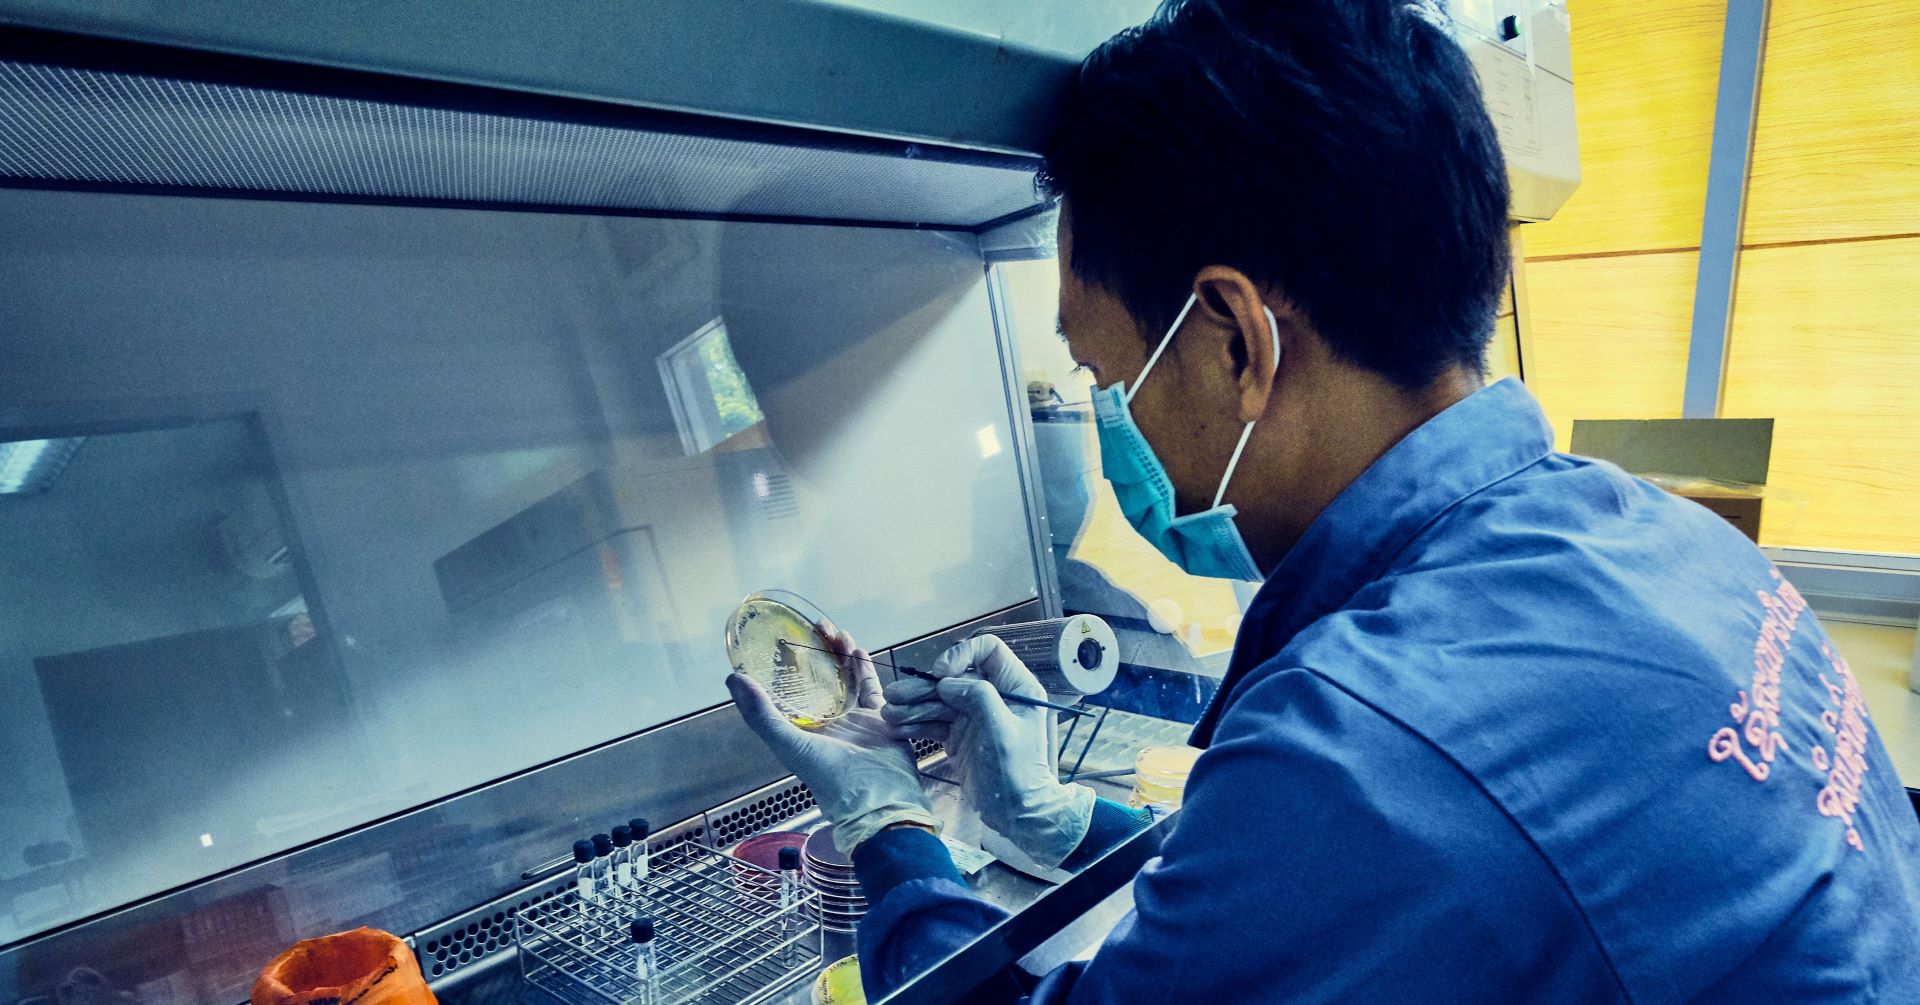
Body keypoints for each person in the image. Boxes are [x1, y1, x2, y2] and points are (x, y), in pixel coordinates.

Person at [729, 0, 1920, 1000]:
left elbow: (1367, 830)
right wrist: (1059, 825)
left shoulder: (1370, 742)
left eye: (1104, 379)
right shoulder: (1662, 539)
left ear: (1238, 341)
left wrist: (888, 825)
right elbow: (1351, 904)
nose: (1114, 430)